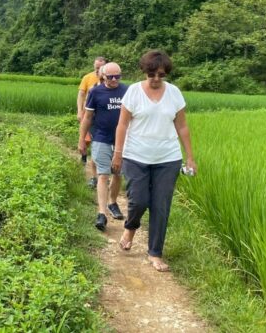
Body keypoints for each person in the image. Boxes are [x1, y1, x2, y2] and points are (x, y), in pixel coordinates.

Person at [112, 50, 197, 272]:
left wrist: (190, 157)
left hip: (167, 158)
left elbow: (182, 126)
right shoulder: (133, 92)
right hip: (135, 155)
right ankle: (131, 227)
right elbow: (122, 125)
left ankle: (155, 253)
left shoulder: (175, 93)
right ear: (144, 72)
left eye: (161, 74)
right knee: (138, 200)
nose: (157, 79)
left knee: (161, 205)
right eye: (152, 74)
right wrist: (118, 153)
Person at [78, 62, 128, 231]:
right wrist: (81, 139)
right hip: (101, 138)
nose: (114, 80)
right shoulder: (96, 92)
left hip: (122, 141)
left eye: (117, 77)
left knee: (118, 174)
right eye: (110, 77)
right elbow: (87, 117)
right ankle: (102, 213)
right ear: (103, 76)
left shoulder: (127, 91)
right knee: (103, 174)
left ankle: (113, 202)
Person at [77, 56, 107, 188]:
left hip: (104, 118)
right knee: (88, 141)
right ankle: (85, 158)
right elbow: (81, 95)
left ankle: (100, 176)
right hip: (89, 115)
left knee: (98, 145)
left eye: (101, 67)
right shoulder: (87, 78)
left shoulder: (110, 80)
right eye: (97, 67)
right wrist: (80, 111)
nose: (98, 70)